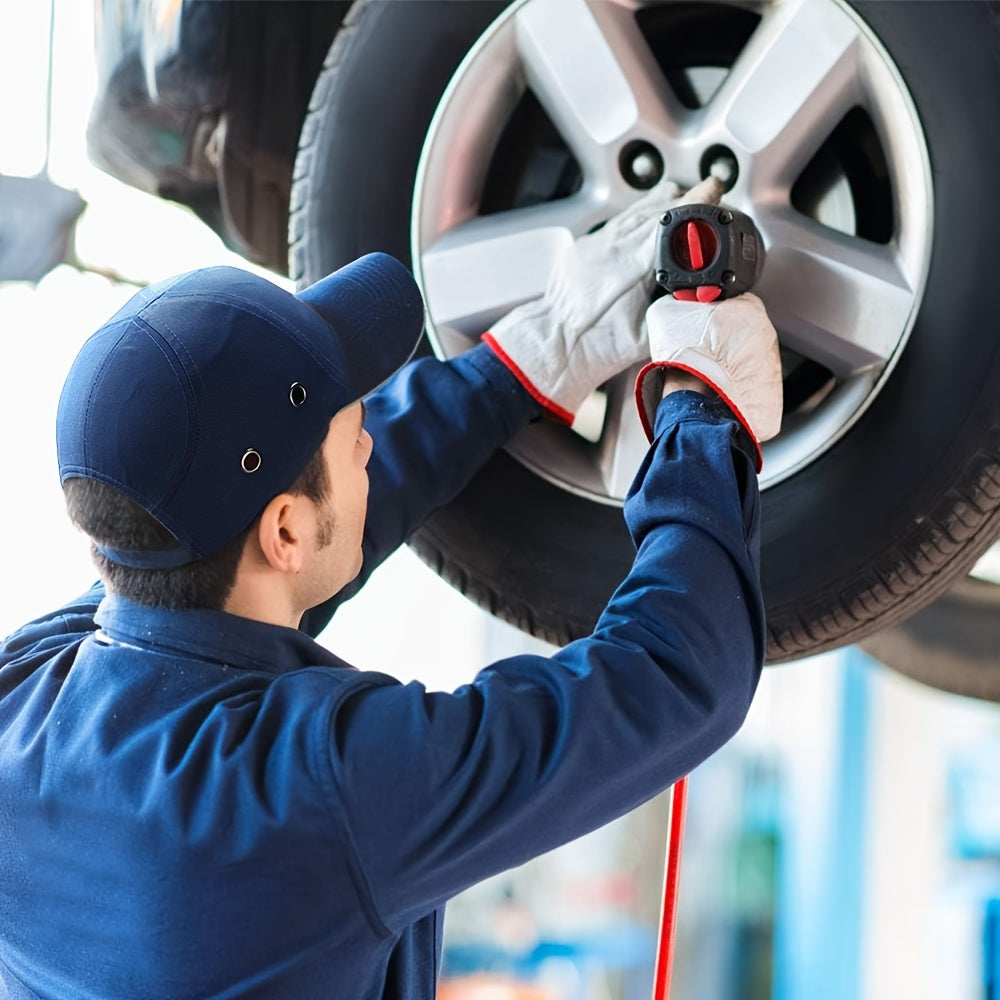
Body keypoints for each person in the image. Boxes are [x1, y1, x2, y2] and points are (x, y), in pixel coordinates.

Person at [0, 178, 781, 999]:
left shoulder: (24, 698)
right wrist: (701, 410)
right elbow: (677, 678)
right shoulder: (314, 798)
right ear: (285, 531)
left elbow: (264, 567)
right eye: (353, 434)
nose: (370, 441)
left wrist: (528, 359)